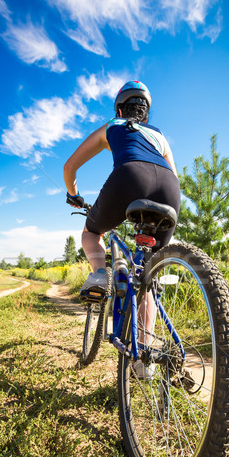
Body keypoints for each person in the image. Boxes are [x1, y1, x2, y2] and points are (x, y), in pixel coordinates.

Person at [63, 80, 181, 300]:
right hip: (170, 188)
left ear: (119, 109)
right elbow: (174, 174)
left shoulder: (112, 125)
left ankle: (100, 275)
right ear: (146, 116)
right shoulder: (160, 136)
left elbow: (69, 167)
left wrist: (74, 195)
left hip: (130, 176)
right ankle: (145, 334)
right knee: (148, 275)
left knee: (91, 233)